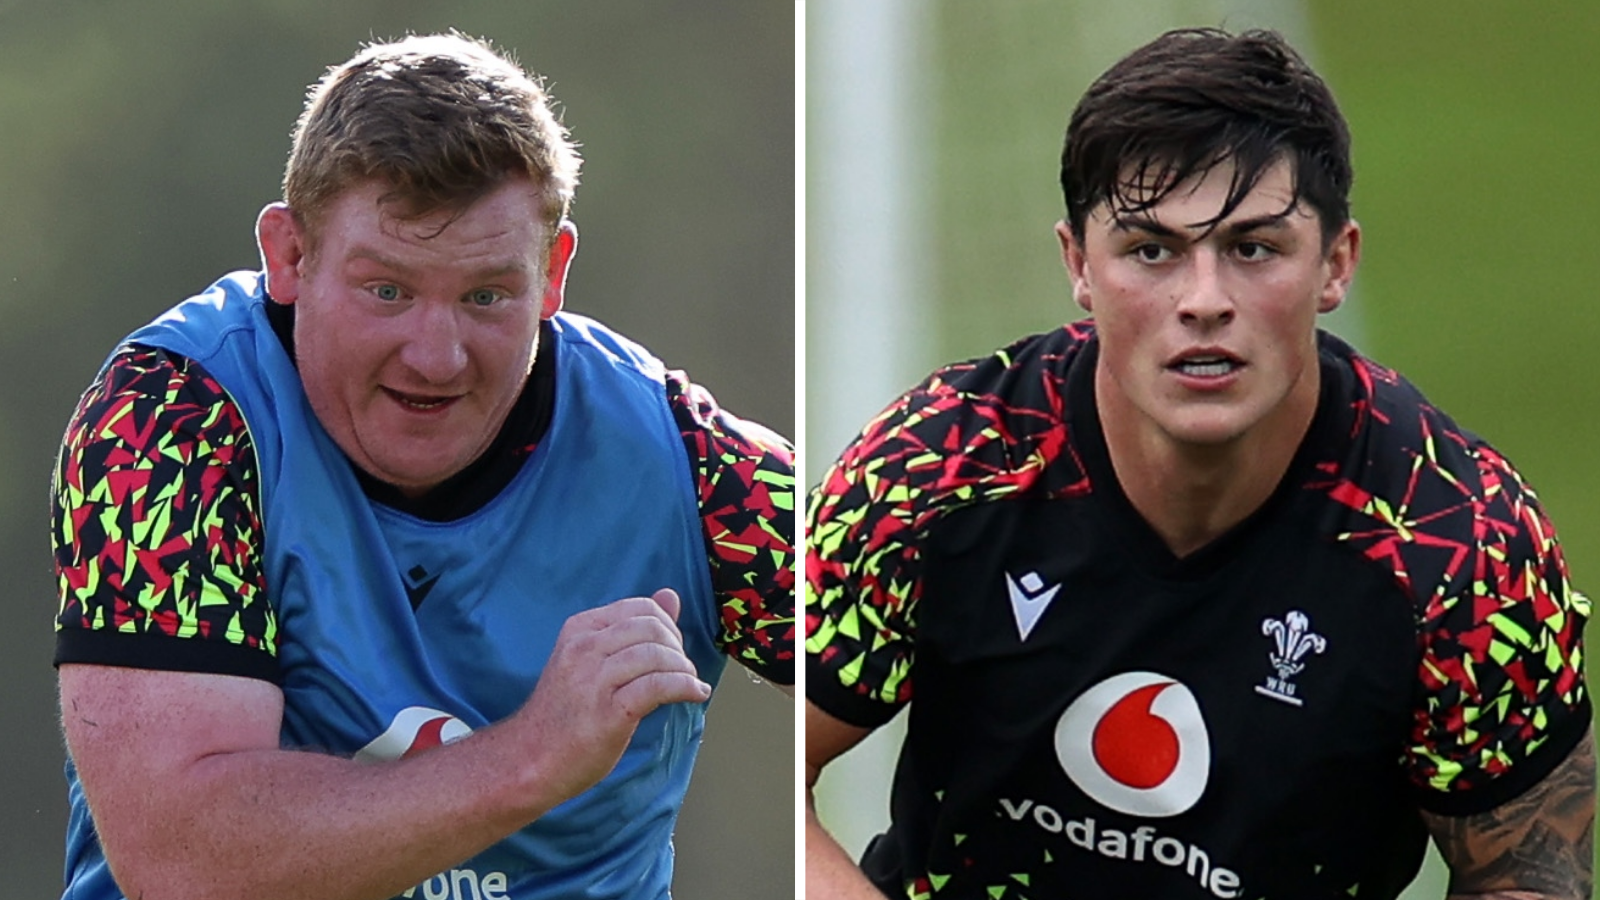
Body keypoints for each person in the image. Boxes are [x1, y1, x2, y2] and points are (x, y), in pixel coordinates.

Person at [805, 27, 1592, 900]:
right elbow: (760, 760)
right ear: (1077, 264)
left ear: (1336, 264)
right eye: (1152, 251)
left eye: (1254, 248)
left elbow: (1528, 868)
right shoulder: (940, 465)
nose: (1204, 301)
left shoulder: (1459, 544)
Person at [51, 32, 794, 900]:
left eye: (486, 295)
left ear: (552, 274)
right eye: (387, 291)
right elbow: (184, 865)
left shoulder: (687, 463)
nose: (437, 357)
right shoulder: (172, 426)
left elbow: (927, 637)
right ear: (290, 257)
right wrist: (531, 756)